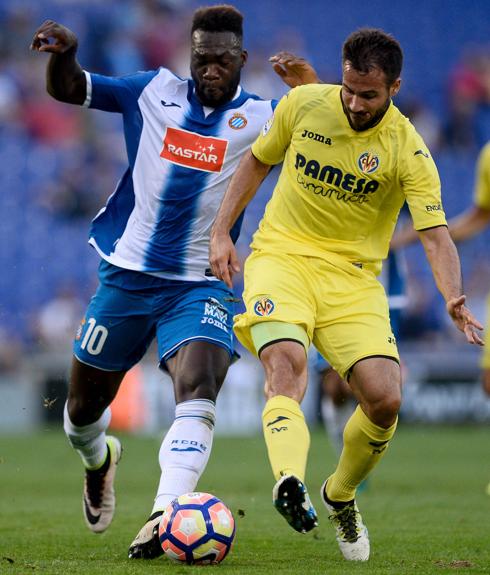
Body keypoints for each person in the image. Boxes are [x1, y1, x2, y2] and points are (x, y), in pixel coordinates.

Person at [30, 6, 319, 560]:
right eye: (201, 59)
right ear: (190, 55)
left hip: (200, 283)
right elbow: (71, 89)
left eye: (222, 60)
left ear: (242, 59)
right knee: (80, 414)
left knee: (200, 383)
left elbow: (329, 121)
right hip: (128, 276)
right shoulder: (151, 92)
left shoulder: (263, 115)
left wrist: (310, 87)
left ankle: (165, 514)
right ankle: (99, 460)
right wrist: (66, 55)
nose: (210, 69)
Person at [209, 28, 484, 562]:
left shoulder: (408, 148)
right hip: (281, 259)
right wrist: (222, 231)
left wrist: (453, 295)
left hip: (354, 278)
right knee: (285, 365)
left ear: (395, 88)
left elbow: (434, 232)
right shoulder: (305, 104)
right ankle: (289, 481)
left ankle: (340, 493)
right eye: (350, 90)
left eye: (369, 95)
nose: (355, 103)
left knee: (385, 399)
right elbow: (257, 162)